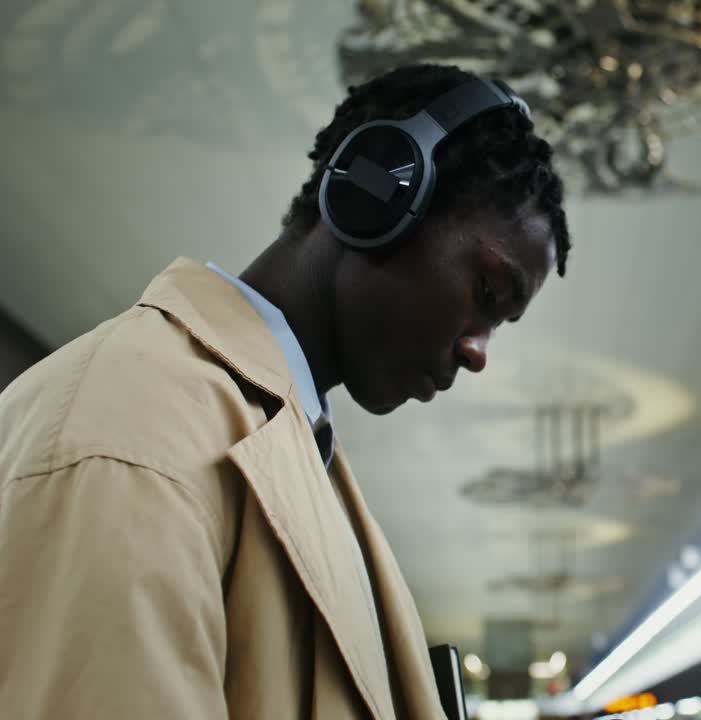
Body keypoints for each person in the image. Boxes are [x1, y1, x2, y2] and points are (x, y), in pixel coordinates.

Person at [0, 63, 570, 719]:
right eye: (488, 296)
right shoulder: (128, 427)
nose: (477, 352)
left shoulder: (290, 443)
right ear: (375, 198)